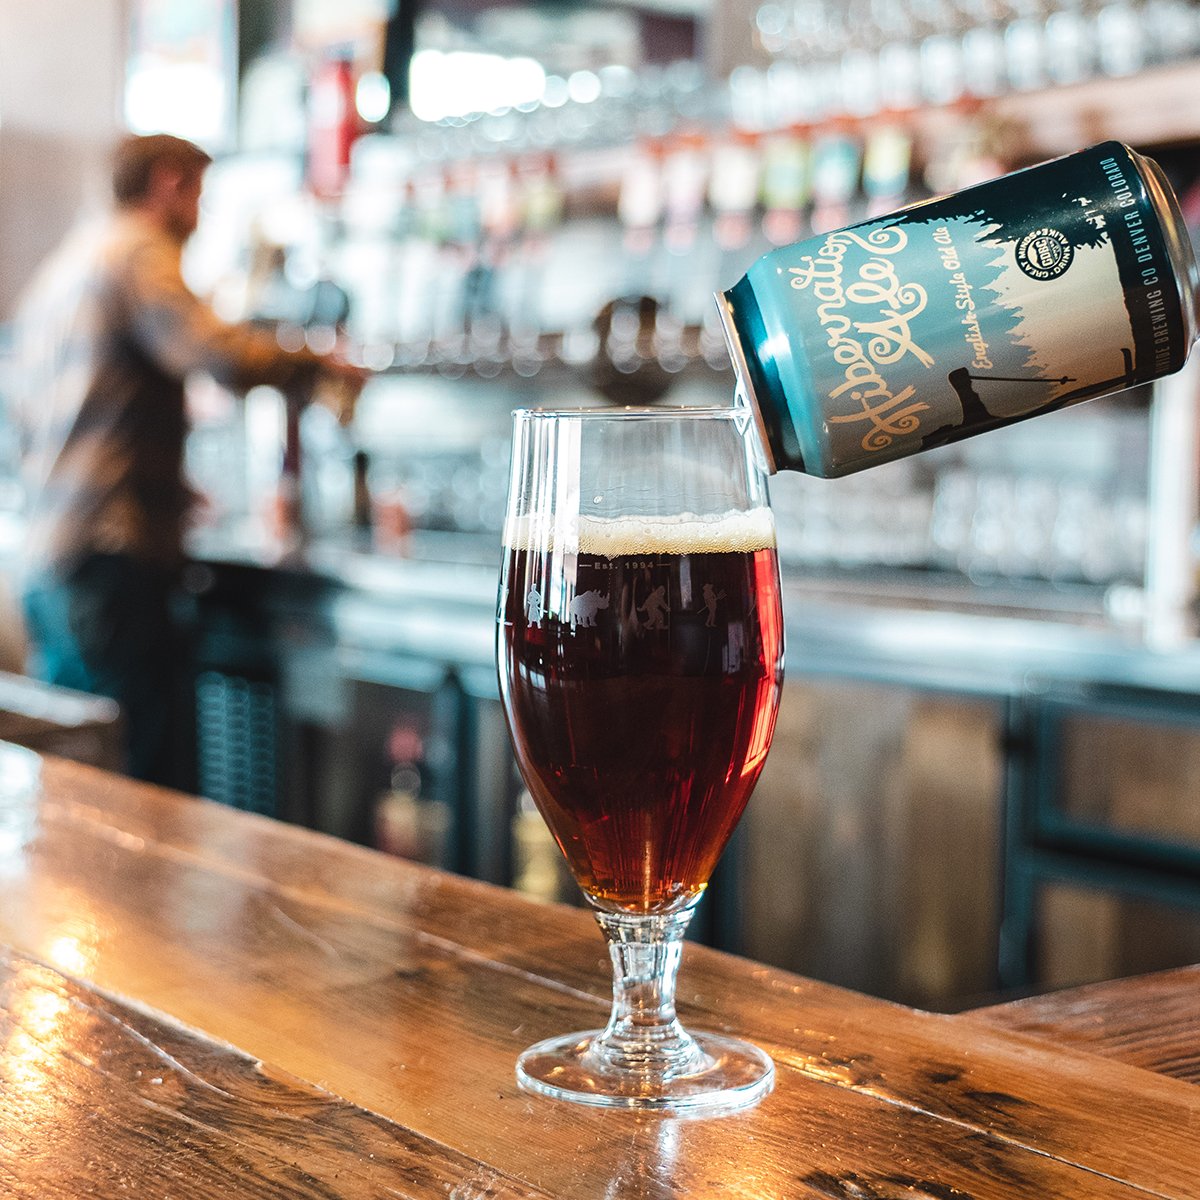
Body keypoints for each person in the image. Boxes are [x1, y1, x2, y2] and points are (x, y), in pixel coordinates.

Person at [11, 133, 365, 786]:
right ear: (169, 183)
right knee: (142, 785)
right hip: (109, 561)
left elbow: (54, 419)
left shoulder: (73, 260)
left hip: (53, 555)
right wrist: (318, 358)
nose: (201, 216)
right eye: (200, 194)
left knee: (80, 781)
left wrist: (161, 483)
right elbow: (215, 353)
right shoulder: (138, 250)